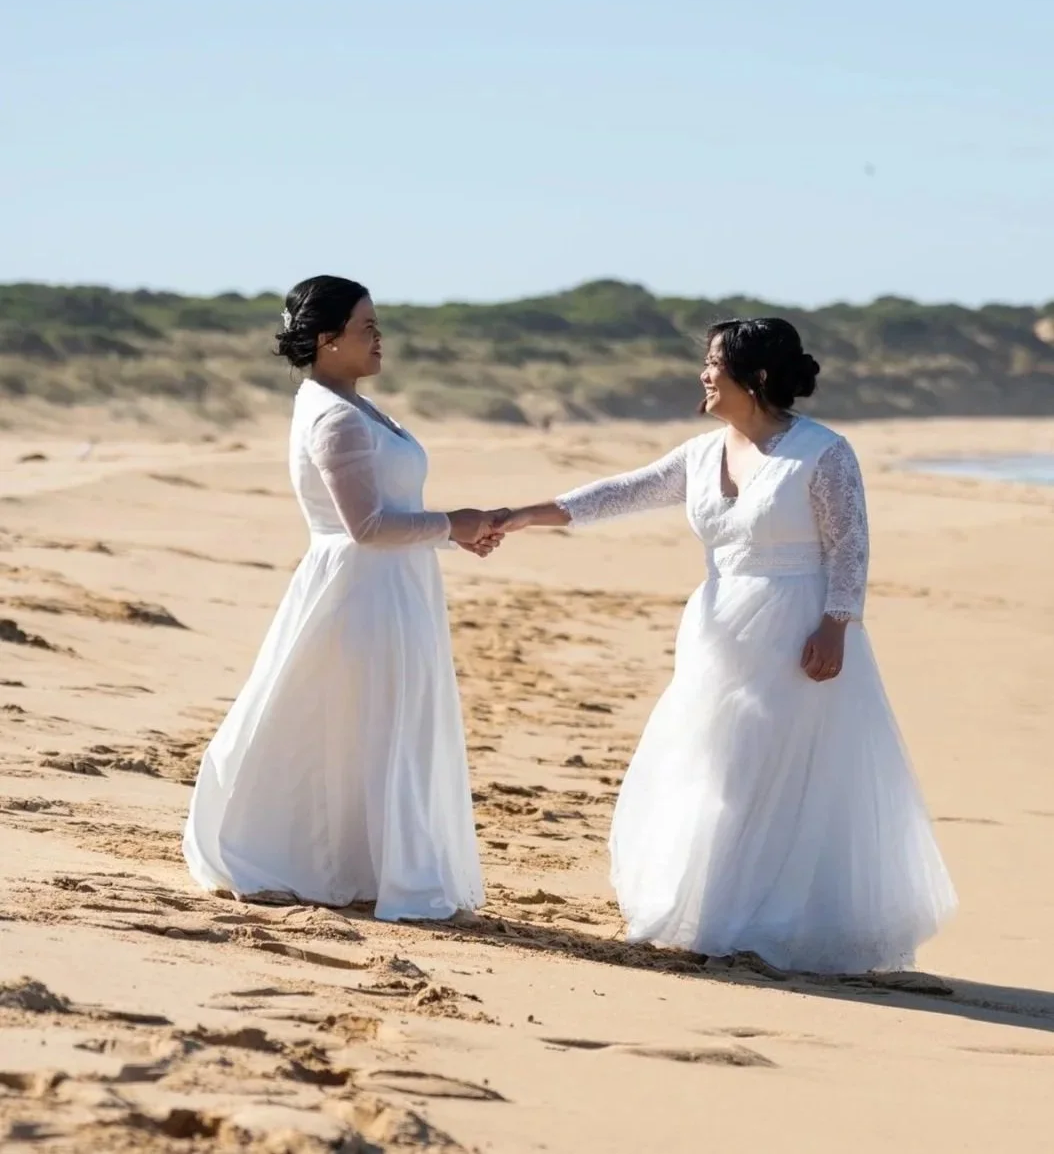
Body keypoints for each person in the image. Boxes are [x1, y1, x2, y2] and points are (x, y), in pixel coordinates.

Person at [496, 318, 956, 974]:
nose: (704, 374)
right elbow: (620, 492)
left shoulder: (822, 452)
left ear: (757, 376)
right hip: (718, 632)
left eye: (715, 363)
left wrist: (837, 623)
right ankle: (718, 910)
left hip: (798, 629)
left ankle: (776, 923)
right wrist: (518, 516)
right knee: (716, 766)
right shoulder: (700, 453)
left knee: (780, 772)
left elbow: (850, 544)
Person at [183, 275, 504, 921]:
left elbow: (391, 510)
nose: (379, 338)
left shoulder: (351, 404)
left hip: (392, 582)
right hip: (360, 589)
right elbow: (364, 526)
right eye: (367, 328)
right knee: (359, 722)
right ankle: (322, 860)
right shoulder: (332, 416)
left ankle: (365, 864)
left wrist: (450, 537)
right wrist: (455, 523)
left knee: (374, 724)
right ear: (328, 341)